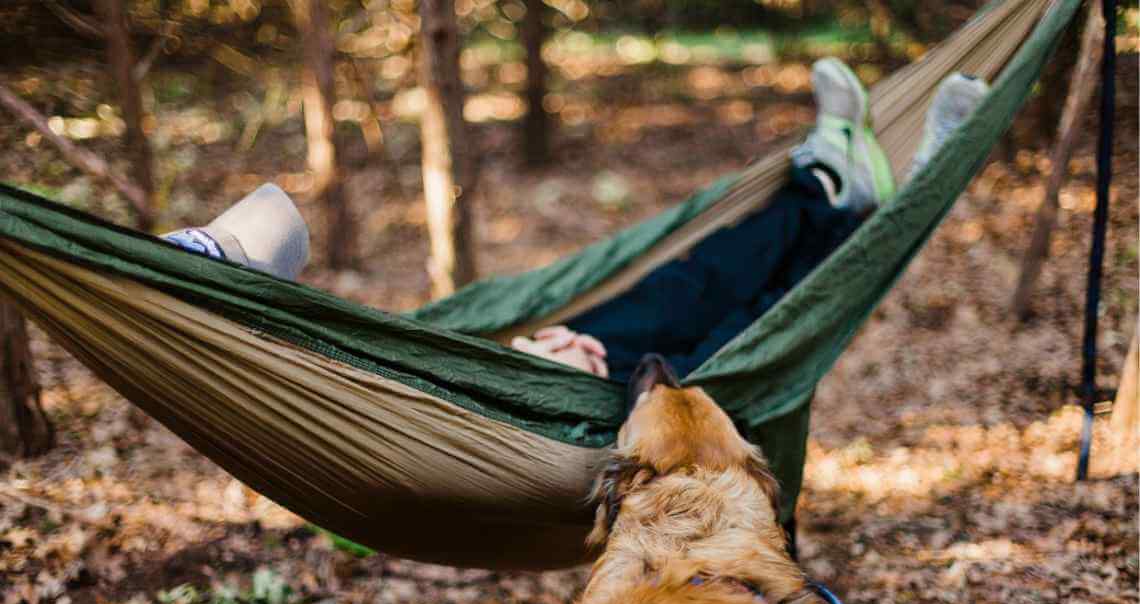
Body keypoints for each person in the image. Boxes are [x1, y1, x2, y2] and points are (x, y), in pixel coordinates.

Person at [163, 60, 988, 381]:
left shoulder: (323, 352)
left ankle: (825, 184)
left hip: (557, 367)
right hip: (601, 411)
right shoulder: (302, 386)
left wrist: (544, 350)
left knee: (699, 272)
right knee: (763, 324)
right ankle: (907, 195)